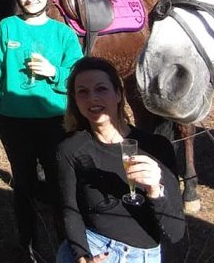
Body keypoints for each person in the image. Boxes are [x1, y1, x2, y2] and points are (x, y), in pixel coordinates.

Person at [0, 0, 83, 262]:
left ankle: (68, 243)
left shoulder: (63, 34)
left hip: (56, 122)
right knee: (23, 184)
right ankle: (26, 243)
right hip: (15, 122)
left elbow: (79, 77)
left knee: (59, 184)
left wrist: (54, 71)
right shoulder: (6, 27)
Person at [56, 57, 185, 263]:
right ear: (75, 101)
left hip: (142, 255)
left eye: (101, 89)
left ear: (118, 94)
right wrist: (82, 256)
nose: (92, 98)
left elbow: (176, 230)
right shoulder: (70, 148)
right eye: (83, 92)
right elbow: (69, 211)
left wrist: (155, 191)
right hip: (95, 246)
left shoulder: (156, 148)